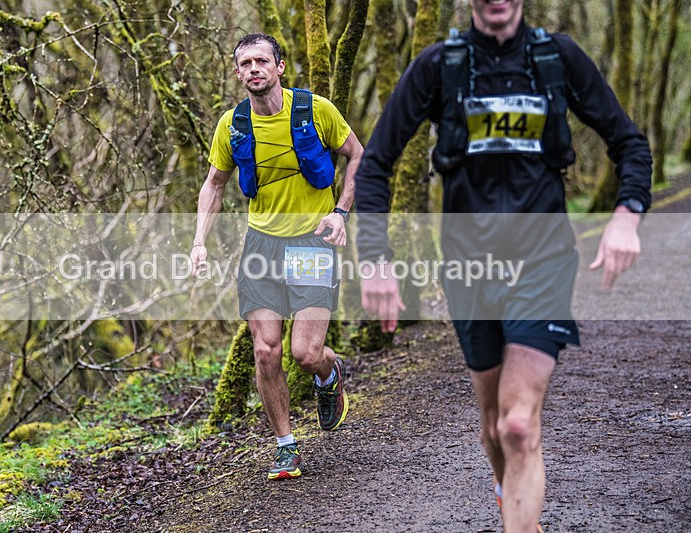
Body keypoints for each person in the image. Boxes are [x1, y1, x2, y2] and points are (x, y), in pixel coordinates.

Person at [354, 1, 651, 531]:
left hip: (542, 262)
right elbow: (375, 163)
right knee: (494, 425)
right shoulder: (439, 65)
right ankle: (514, 502)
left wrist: (627, 215)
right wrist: (376, 260)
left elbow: (629, 145)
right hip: (468, 270)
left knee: (517, 425)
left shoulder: (556, 58)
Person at [190, 32, 364, 480]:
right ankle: (286, 447)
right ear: (237, 72)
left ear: (279, 67)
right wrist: (199, 241)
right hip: (261, 246)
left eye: (262, 61)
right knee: (266, 352)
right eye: (245, 63)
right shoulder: (233, 125)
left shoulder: (315, 110)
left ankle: (329, 373)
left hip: (311, 242)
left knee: (305, 353)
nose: (254, 69)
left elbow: (357, 156)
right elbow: (214, 184)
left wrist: (341, 211)